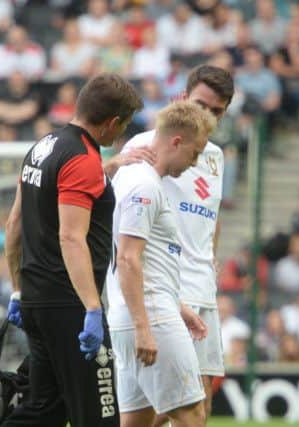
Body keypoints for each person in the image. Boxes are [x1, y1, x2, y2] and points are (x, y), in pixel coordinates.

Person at [2, 73, 143, 427]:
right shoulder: (82, 159)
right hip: (72, 308)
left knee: (43, 413)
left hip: (36, 298)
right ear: (112, 123)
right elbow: (70, 237)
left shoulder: (42, 146)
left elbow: (14, 224)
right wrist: (93, 308)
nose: (118, 135)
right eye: (121, 127)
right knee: (101, 417)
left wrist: (17, 289)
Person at [106, 64, 235, 426]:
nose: (206, 115)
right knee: (185, 407)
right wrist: (113, 164)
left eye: (216, 111)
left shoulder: (215, 157)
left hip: (201, 288)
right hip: (164, 287)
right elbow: (118, 199)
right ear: (182, 98)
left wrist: (211, 256)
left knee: (197, 400)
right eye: (201, 105)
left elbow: (212, 213)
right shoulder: (146, 146)